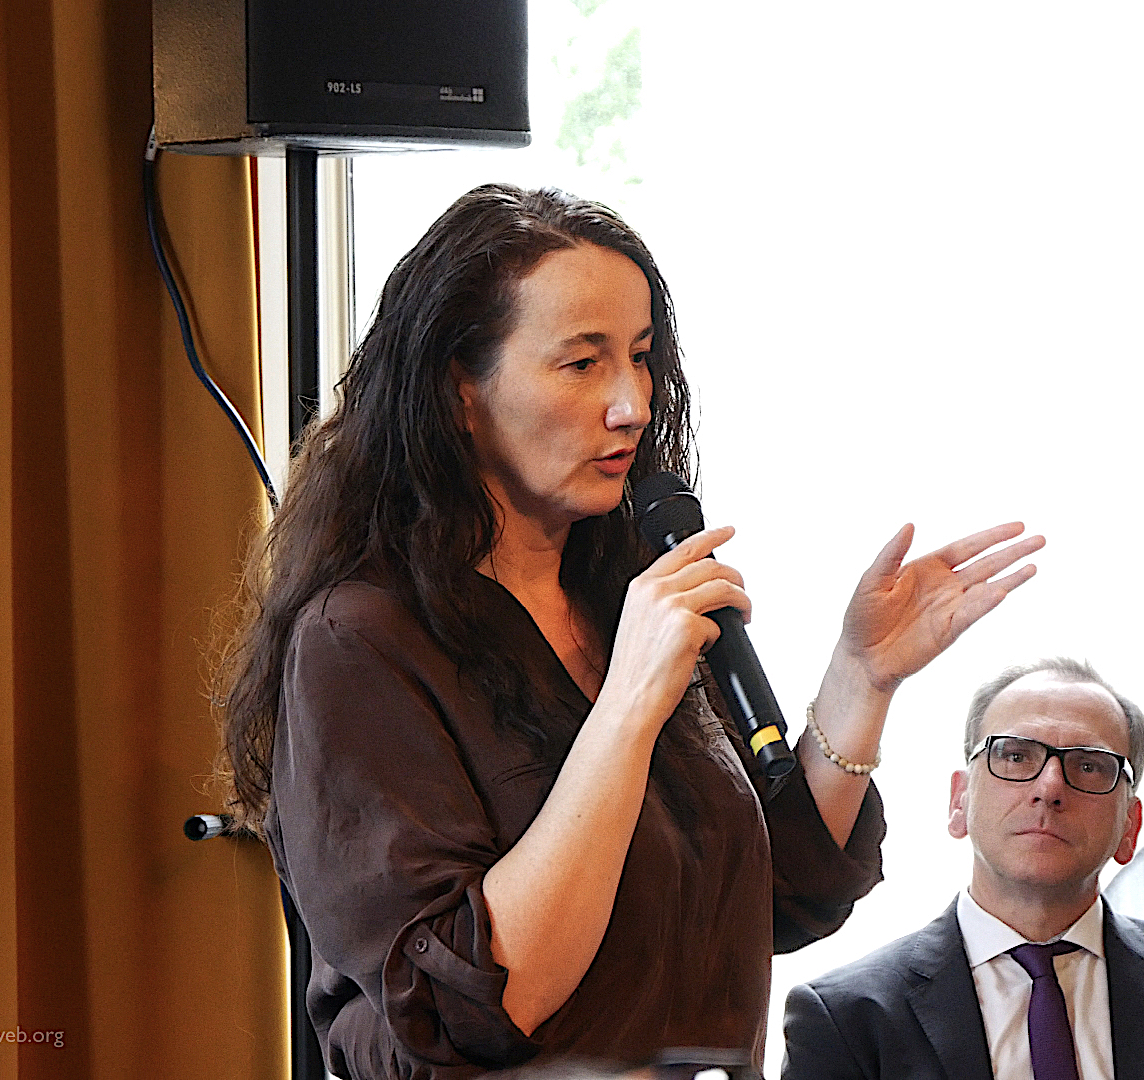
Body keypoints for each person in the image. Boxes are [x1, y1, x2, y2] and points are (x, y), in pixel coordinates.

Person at [217, 185, 1043, 1079]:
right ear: (461, 387)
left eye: (642, 360)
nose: (631, 405)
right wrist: (626, 708)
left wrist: (861, 680)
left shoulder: (623, 597)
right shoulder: (361, 640)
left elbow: (782, 893)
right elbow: (480, 1003)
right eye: (581, 365)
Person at [781, 658, 1144, 1080]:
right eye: (1016, 755)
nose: (1050, 787)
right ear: (959, 802)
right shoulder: (846, 1019)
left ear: (1130, 827)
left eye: (1089, 765)